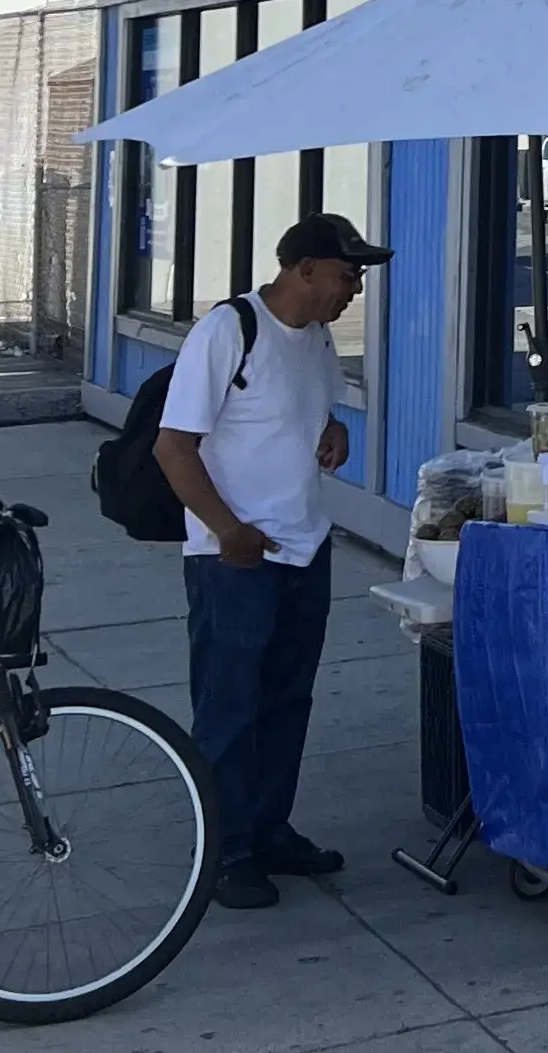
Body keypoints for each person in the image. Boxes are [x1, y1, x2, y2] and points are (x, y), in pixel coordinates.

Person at [154, 209, 388, 911]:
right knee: (229, 707)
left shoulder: (318, 342)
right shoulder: (229, 330)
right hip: (236, 558)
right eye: (347, 276)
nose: (354, 292)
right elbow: (174, 447)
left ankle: (270, 827)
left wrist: (334, 431)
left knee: (287, 699)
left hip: (303, 545)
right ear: (303, 270)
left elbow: (304, 413)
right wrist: (228, 531)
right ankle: (227, 851)